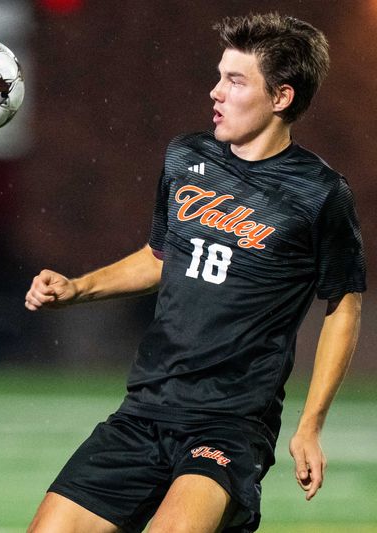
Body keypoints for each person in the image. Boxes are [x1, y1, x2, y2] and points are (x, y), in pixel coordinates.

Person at [24, 13, 365, 533]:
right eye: (218, 75)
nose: (215, 92)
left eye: (235, 80)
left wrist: (310, 424)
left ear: (281, 98)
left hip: (230, 425)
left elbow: (344, 305)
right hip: (144, 409)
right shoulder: (185, 157)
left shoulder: (320, 193)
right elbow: (161, 256)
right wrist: (77, 288)